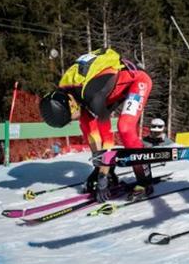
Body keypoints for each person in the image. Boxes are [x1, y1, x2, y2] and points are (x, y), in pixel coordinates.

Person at [39, 47, 153, 201]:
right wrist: (100, 169)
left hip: (137, 81)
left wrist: (102, 177)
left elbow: (107, 141)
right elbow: (93, 137)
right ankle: (108, 169)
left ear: (71, 105)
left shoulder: (92, 97)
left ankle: (144, 180)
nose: (72, 120)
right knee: (87, 127)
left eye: (70, 118)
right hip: (109, 92)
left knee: (124, 127)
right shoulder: (67, 92)